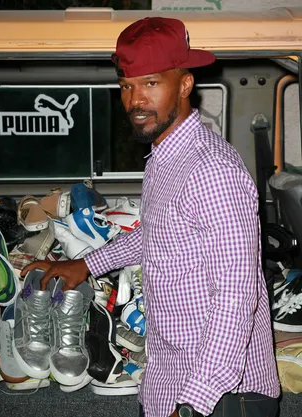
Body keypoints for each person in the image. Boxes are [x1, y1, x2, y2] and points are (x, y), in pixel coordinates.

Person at [21, 17, 280, 417]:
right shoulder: (165, 157)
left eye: (151, 83)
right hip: (168, 377)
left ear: (185, 84)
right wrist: (86, 264)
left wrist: (194, 400)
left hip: (220, 395)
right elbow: (157, 235)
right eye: (127, 86)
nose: (134, 100)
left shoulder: (212, 171)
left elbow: (236, 297)